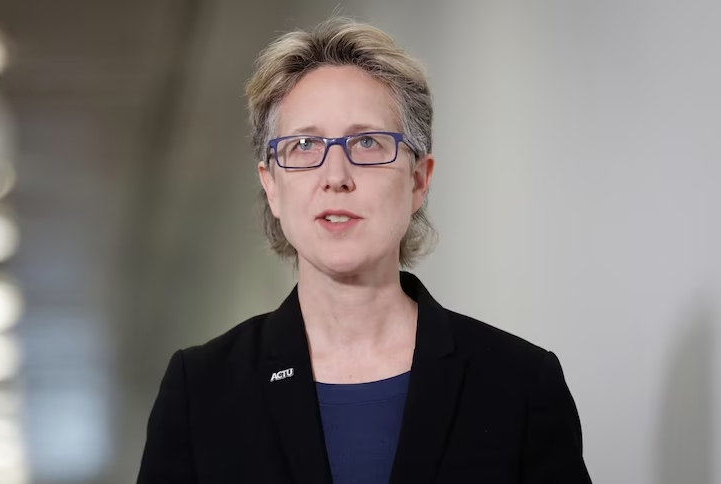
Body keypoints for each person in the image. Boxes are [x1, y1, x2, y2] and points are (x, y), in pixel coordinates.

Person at [137, 16, 592, 484]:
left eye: (368, 142)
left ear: (418, 181)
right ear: (271, 186)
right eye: (305, 144)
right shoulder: (202, 390)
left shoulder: (518, 384)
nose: (336, 175)